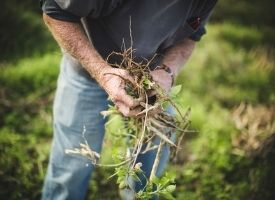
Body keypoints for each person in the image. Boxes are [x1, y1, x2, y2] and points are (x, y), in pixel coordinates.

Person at [40, 0, 217, 199]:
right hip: (86, 75)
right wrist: (102, 71)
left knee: (150, 168)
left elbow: (192, 35)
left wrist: (167, 71)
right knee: (72, 166)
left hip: (150, 84)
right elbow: (54, 12)